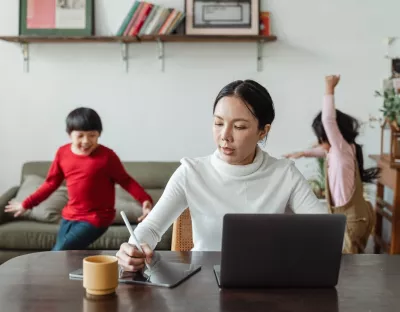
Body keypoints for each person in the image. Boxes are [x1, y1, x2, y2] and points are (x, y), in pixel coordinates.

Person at [116, 80, 328, 272]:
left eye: (239, 127)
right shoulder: (191, 172)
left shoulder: (284, 174)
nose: (225, 136)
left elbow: (324, 232)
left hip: (268, 283)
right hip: (204, 286)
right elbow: (152, 228)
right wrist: (133, 248)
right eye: (218, 123)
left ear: (263, 131)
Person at [5, 107, 153, 251]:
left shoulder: (107, 157)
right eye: (80, 135)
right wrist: (27, 204)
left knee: (59, 252)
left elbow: (126, 180)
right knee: (66, 256)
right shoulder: (62, 153)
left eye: (92, 135)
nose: (86, 141)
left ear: (99, 134)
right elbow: (51, 183)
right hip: (70, 215)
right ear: (70, 134)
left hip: (97, 218)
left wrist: (145, 200)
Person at [284, 75, 379, 253]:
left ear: (331, 135)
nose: (319, 143)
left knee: (348, 266)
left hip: (352, 220)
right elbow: (324, 151)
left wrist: (329, 89)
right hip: (355, 216)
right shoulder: (342, 151)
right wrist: (303, 153)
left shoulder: (341, 147)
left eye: (320, 138)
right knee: (348, 263)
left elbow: (328, 120)